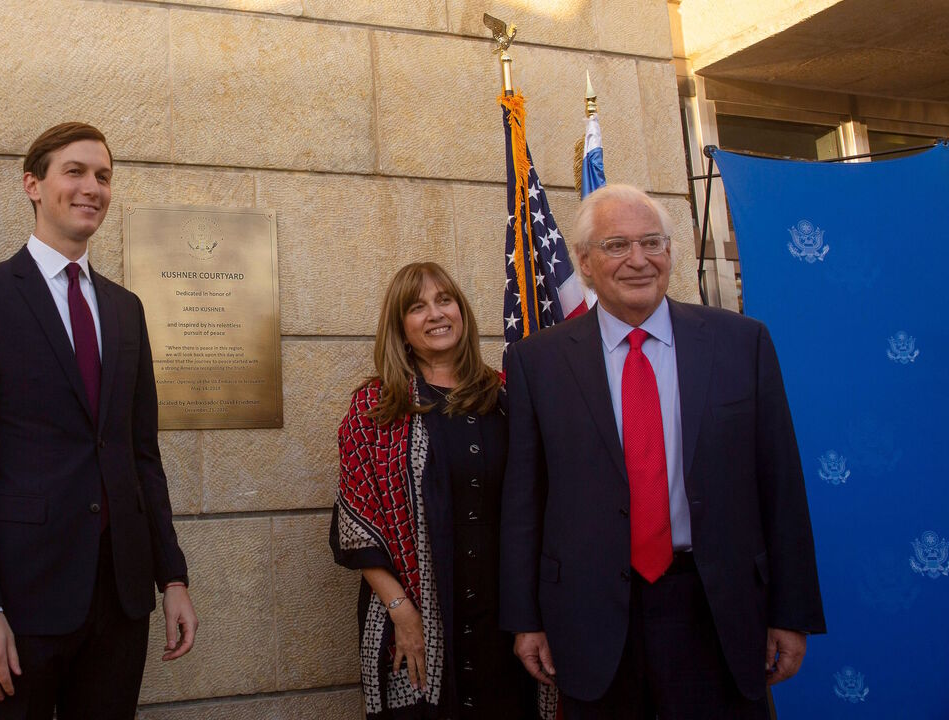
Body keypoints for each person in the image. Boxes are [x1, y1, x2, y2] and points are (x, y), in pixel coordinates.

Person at [499, 184, 826, 718]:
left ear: (671, 252)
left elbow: (781, 486)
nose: (638, 261)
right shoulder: (538, 363)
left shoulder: (743, 344)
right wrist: (525, 618)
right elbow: (524, 502)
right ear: (583, 261)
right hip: (590, 616)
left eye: (652, 243)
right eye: (616, 246)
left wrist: (792, 613)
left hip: (717, 610)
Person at [0, 122, 198, 720]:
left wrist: (171, 578)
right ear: (33, 184)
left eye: (102, 176)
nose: (92, 188)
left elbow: (141, 456)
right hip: (20, 602)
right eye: (74, 172)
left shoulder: (126, 310)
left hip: (119, 600)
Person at [331, 262, 537, 719]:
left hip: (504, 616)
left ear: (461, 312)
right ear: (401, 329)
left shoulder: (506, 398)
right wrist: (402, 612)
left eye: (444, 300)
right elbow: (356, 528)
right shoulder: (376, 407)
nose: (435, 314)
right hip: (414, 615)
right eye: (418, 307)